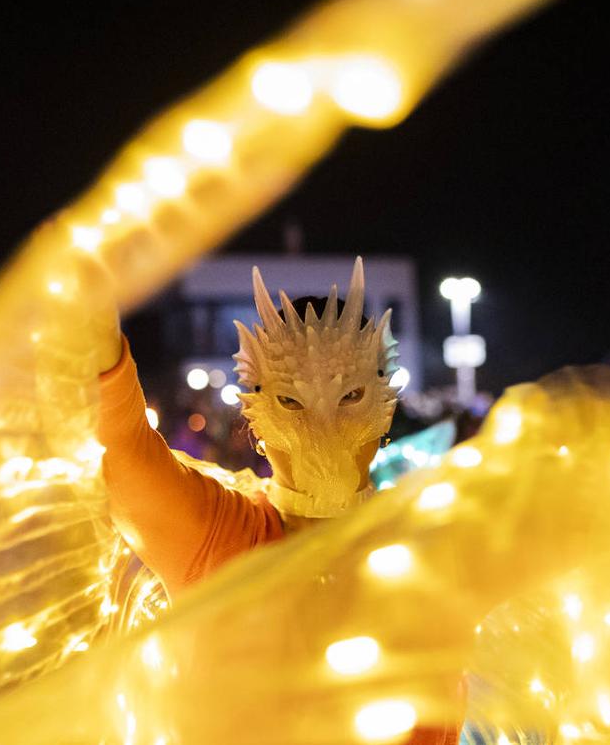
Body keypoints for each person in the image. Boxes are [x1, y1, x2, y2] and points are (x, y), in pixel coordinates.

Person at [96, 258, 459, 744]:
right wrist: (87, 302)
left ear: (384, 412)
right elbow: (119, 441)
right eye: (292, 402)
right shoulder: (216, 536)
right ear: (256, 420)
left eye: (351, 396)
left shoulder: (433, 545)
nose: (323, 428)